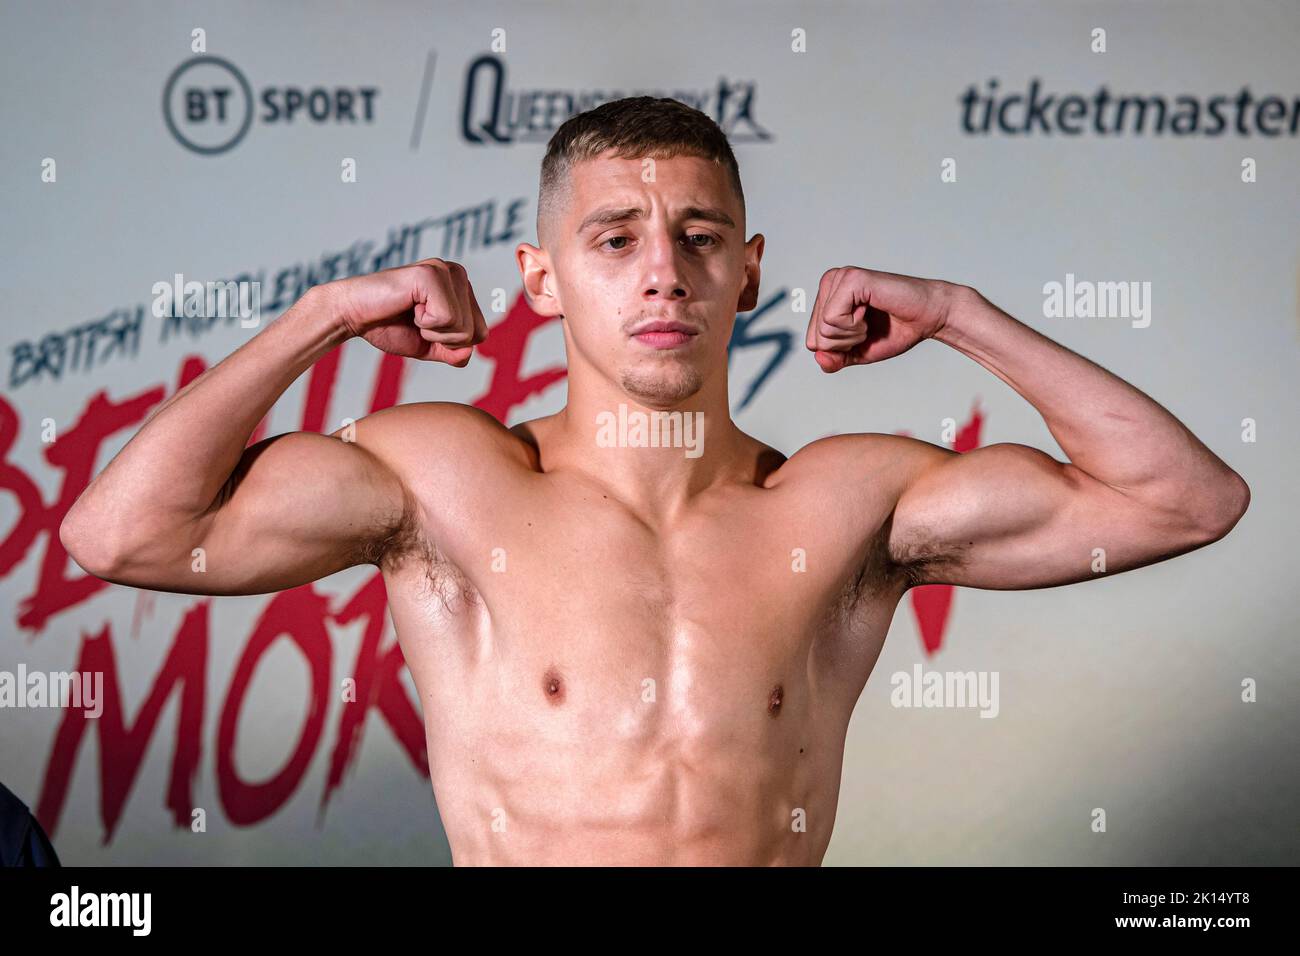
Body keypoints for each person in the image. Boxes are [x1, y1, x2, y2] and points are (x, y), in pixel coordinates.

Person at [59, 97, 1249, 865]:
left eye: (699, 235)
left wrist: (961, 316)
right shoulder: (446, 477)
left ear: (747, 270)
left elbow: (1183, 500)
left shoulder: (842, 503)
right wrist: (321, 316)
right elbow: (125, 533)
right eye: (615, 237)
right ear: (541, 279)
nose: (664, 273)